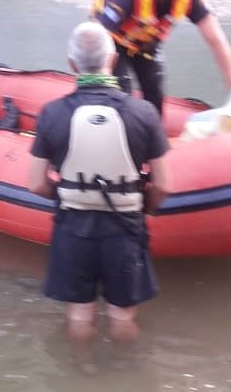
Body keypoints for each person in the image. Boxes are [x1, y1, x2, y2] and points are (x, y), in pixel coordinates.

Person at [28, 21, 170, 343]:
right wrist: (143, 210)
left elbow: (36, 183)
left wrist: (68, 196)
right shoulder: (143, 112)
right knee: (121, 315)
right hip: (125, 227)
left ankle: (81, 374)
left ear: (72, 64)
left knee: (79, 313)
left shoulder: (51, 114)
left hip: (73, 227)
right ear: (112, 60)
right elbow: (164, 184)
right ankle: (124, 375)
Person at [91, 0, 231, 115]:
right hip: (112, 44)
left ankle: (151, 137)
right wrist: (103, 81)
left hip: (145, 46)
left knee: (155, 98)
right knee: (121, 95)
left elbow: (217, 41)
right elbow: (97, 34)